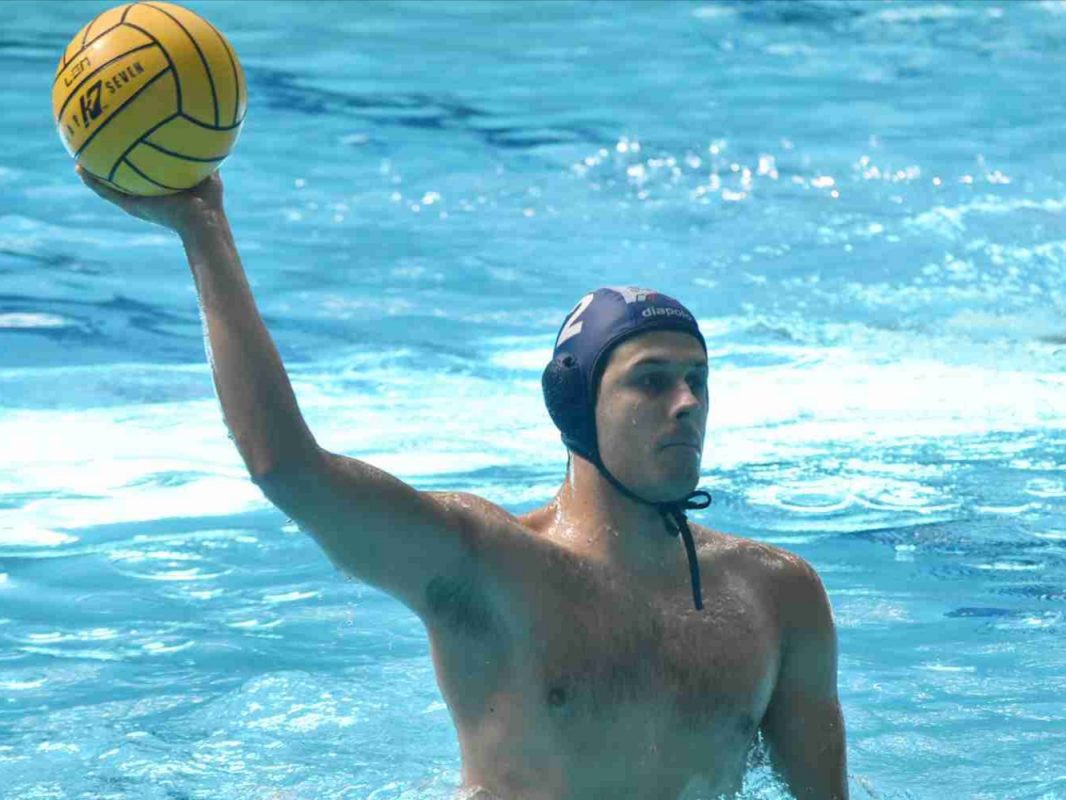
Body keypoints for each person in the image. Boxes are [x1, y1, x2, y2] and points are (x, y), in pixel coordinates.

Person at [78, 167, 848, 800]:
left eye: (697, 381)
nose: (686, 403)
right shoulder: (486, 563)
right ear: (574, 403)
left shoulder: (776, 596)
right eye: (651, 381)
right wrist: (203, 229)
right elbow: (287, 467)